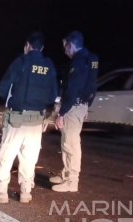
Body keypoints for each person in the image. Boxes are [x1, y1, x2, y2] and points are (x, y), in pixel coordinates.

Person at [0, 31, 58, 203]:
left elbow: (4, 86)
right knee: (29, 157)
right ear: (42, 48)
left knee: (6, 155)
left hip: (17, 117)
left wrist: (10, 99)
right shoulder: (49, 65)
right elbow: (53, 94)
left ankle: (1, 192)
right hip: (37, 118)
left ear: (27, 45)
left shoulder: (21, 61)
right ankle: (26, 192)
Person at [50, 31, 99, 192]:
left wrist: (62, 112)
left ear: (71, 45)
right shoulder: (90, 58)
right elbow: (92, 84)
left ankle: (72, 181)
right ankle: (65, 174)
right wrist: (87, 105)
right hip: (80, 105)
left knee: (71, 144)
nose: (65, 50)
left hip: (72, 106)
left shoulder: (77, 61)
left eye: (65, 46)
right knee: (67, 142)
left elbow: (72, 88)